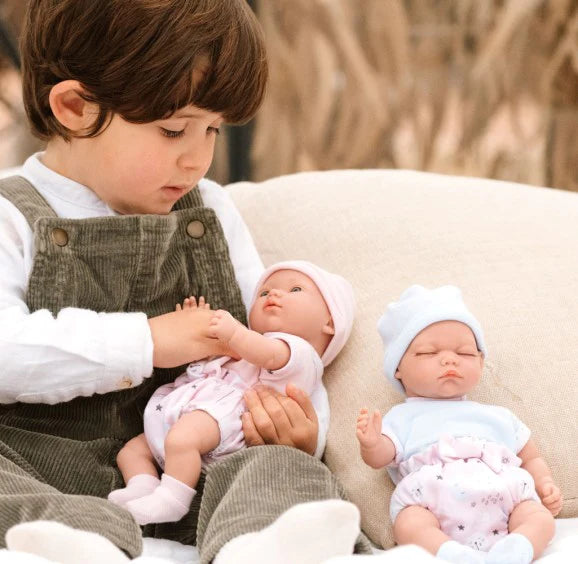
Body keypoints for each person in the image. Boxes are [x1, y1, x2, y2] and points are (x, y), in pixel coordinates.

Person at [0, 1, 374, 563]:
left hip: (193, 468)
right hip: (35, 463)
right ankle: (77, 543)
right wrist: (148, 340)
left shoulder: (211, 212)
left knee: (280, 470)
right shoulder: (11, 215)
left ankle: (264, 545)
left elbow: (273, 340)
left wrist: (301, 430)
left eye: (213, 131)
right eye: (174, 129)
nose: (197, 159)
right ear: (75, 107)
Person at [108, 261, 355, 526]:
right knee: (132, 451)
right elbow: (211, 361)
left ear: (330, 321)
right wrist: (198, 328)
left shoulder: (302, 355)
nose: (273, 295)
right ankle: (143, 487)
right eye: (264, 293)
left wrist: (234, 333)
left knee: (181, 440)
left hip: (222, 422)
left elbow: (268, 354)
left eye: (295, 289)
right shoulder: (247, 349)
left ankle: (172, 500)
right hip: (187, 416)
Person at [356, 285, 562, 564]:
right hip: (432, 498)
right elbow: (381, 457)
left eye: (464, 353)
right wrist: (371, 443)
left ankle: (517, 549)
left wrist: (545, 482)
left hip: (504, 493)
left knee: (539, 518)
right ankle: (450, 554)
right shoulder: (401, 418)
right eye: (429, 353)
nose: (450, 359)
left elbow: (531, 456)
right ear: (398, 369)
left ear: (480, 361)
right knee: (409, 522)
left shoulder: (497, 415)